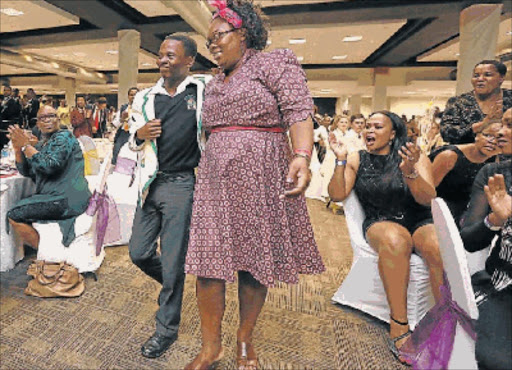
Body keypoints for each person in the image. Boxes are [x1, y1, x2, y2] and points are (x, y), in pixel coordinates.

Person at [184, 1, 325, 369]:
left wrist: (301, 155)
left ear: (243, 33)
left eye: (218, 36)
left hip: (260, 175)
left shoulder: (272, 63)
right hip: (215, 181)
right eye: (208, 39)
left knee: (252, 261)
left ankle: (244, 339)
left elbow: (298, 110)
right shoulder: (213, 82)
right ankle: (210, 346)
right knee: (207, 263)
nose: (211, 44)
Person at [328, 111, 443, 365]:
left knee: (437, 243)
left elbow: (427, 199)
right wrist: (339, 160)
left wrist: (410, 171)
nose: (369, 131)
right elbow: (337, 195)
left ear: (393, 134)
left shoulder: (414, 155)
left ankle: (444, 321)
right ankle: (399, 324)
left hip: (418, 217)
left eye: (377, 127)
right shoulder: (357, 158)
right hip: (381, 220)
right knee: (396, 240)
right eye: (367, 126)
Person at [127, 34, 206, 359]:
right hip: (151, 184)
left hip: (182, 186)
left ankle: (166, 330)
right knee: (139, 252)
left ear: (188, 61)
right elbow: (132, 143)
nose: (163, 60)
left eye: (171, 56)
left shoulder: (202, 90)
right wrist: (138, 135)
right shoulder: (145, 98)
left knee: (174, 260)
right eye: (161, 55)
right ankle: (173, 283)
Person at [460, 109, 512, 369]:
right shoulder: (493, 174)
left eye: (510, 126)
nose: (501, 132)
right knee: (495, 359)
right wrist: (495, 220)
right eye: (503, 123)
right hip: (500, 285)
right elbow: (469, 240)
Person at [6, 105, 91, 250]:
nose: (47, 120)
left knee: (14, 214)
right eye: (42, 118)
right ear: (37, 124)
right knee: (21, 206)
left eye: (51, 116)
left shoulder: (64, 136)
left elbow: (49, 166)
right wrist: (17, 148)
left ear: (58, 119)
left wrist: (26, 146)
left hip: (67, 200)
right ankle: (46, 251)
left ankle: (47, 254)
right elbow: (27, 171)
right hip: (61, 197)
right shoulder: (45, 143)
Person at [430, 120, 501, 226]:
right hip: (435, 213)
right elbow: (426, 192)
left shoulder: (495, 160)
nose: (492, 141)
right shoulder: (450, 156)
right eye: (488, 135)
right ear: (476, 136)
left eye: (499, 139)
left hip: (466, 216)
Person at [441, 60, 512, 144]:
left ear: (501, 78)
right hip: (469, 154)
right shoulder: (458, 102)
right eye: (476, 75)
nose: (480, 79)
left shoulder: (509, 98)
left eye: (487, 75)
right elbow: (447, 134)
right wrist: (483, 125)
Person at [112, 87, 138, 165]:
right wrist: (122, 119)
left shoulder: (142, 109)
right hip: (123, 134)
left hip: (136, 134)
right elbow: (115, 124)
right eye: (131, 95)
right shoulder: (124, 108)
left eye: (135, 95)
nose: (133, 97)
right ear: (128, 96)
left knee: (134, 157)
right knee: (117, 153)